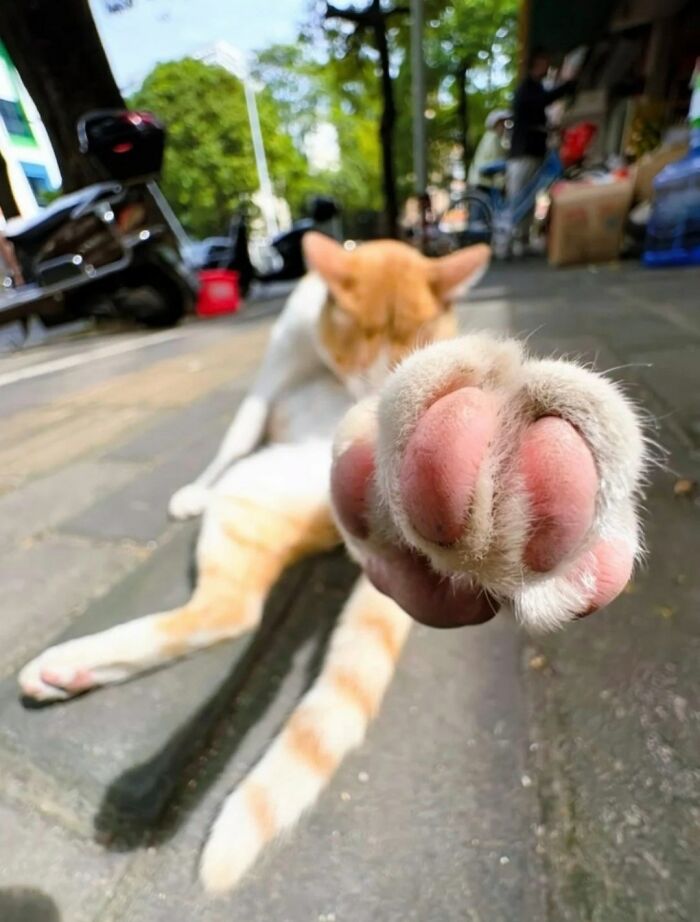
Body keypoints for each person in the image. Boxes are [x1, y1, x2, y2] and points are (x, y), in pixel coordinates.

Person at [508, 49, 576, 253]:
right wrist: (567, 86)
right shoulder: (528, 89)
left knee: (528, 195)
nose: (546, 68)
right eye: (543, 63)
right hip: (525, 151)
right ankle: (516, 238)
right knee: (522, 195)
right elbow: (540, 103)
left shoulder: (532, 88)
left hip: (531, 149)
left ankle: (522, 238)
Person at [468, 109, 511, 192]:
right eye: (502, 123)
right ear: (495, 124)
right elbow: (495, 160)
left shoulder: (493, 137)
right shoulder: (493, 138)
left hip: (482, 181)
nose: (504, 126)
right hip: (482, 181)